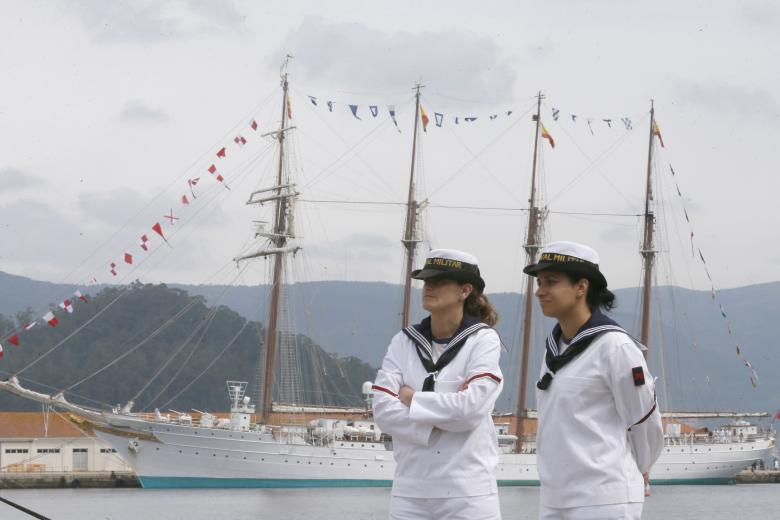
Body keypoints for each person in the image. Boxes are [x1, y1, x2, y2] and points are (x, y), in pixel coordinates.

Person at [524, 241, 664, 520]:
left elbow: (645, 422)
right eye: (539, 282)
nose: (540, 291)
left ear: (581, 287)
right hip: (555, 497)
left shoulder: (615, 346)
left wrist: (639, 469)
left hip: (603, 498)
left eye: (551, 281)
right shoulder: (555, 347)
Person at [372, 249, 504, 520]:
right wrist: (440, 420)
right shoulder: (404, 341)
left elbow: (470, 410)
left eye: (440, 281)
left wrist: (412, 399)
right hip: (409, 490)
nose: (429, 286)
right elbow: (383, 411)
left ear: (465, 290)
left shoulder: (483, 340)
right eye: (426, 281)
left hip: (467, 491)